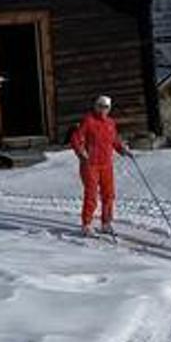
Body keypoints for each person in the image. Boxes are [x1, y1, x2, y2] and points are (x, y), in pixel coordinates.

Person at [68, 93, 132, 235]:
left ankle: (106, 223)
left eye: (106, 107)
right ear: (96, 106)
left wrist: (122, 149)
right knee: (91, 195)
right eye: (100, 106)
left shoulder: (110, 123)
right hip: (90, 164)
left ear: (109, 108)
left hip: (106, 164)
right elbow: (75, 139)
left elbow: (114, 140)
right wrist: (81, 153)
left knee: (109, 194)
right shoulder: (88, 120)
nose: (103, 109)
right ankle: (87, 224)